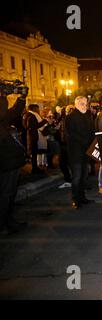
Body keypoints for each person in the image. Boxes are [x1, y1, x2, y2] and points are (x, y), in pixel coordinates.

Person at [0, 88, 28, 235]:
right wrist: (3, 96)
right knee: (5, 194)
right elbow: (4, 111)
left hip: (11, 162)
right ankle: (3, 224)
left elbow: (13, 112)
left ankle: (9, 220)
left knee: (10, 193)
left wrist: (22, 99)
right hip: (5, 162)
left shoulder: (3, 120)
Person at [64, 96, 95, 209]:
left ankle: (82, 197)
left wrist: (94, 142)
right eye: (82, 103)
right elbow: (70, 134)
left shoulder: (88, 115)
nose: (84, 106)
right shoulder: (70, 117)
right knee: (77, 177)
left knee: (83, 176)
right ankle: (75, 199)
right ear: (76, 104)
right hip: (76, 152)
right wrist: (86, 141)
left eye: (86, 104)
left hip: (86, 151)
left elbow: (92, 131)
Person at [25, 104, 48, 173]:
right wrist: (44, 121)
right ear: (34, 109)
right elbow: (33, 126)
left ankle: (35, 168)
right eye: (37, 108)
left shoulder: (27, 115)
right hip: (33, 136)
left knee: (34, 153)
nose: (38, 110)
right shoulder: (31, 116)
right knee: (34, 153)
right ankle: (34, 169)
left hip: (31, 136)